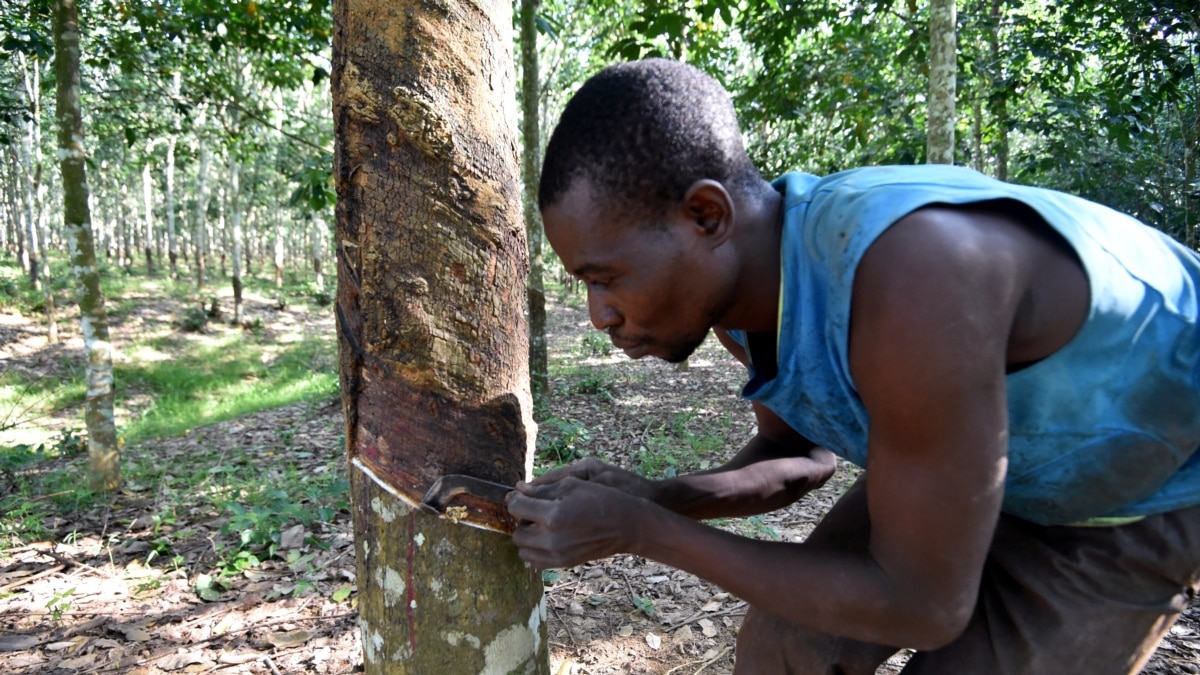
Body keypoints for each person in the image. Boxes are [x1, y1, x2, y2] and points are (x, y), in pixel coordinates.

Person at [506, 58, 1200, 674]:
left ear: (705, 215)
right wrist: (657, 495)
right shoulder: (748, 301)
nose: (601, 314)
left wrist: (644, 531)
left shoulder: (914, 281)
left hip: (1127, 501)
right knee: (789, 649)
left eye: (607, 277)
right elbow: (798, 454)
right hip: (968, 464)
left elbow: (925, 606)